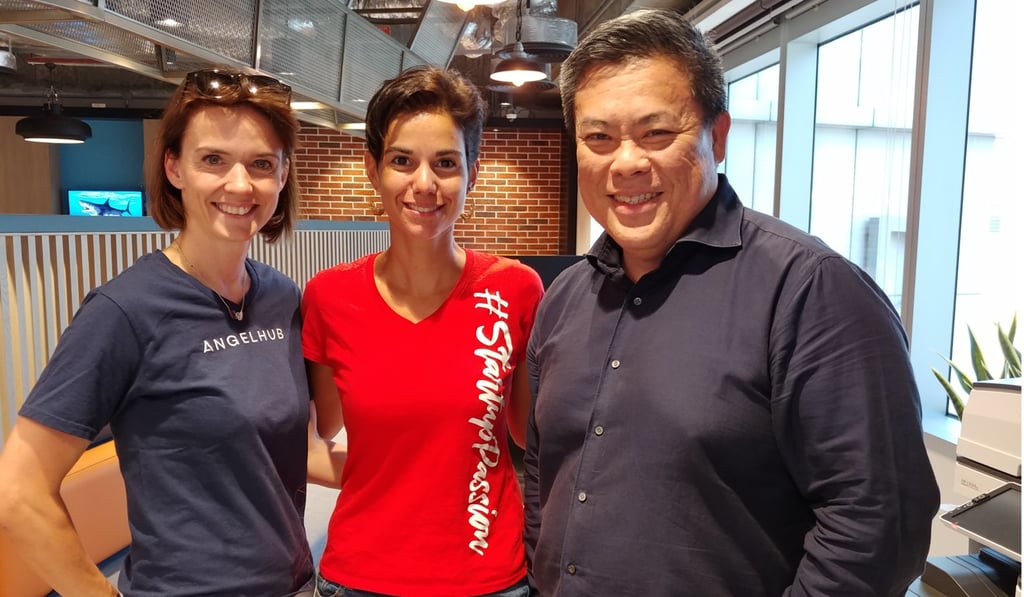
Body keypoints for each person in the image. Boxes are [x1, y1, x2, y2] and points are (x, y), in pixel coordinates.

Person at [524, 9, 940, 597]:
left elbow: (876, 527)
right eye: (598, 137)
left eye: (656, 132)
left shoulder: (811, 290)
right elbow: (545, 474)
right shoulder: (565, 297)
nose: (626, 163)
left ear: (715, 135)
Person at [0, 68, 314, 596]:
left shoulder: (282, 298)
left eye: (262, 164)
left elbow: (277, 451)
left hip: (295, 584)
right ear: (174, 167)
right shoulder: (125, 310)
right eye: (213, 159)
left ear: (282, 177)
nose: (240, 184)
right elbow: (18, 490)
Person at [302, 65, 543, 597]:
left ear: (472, 173)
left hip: (488, 578)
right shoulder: (329, 297)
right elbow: (319, 432)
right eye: (402, 161)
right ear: (373, 168)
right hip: (359, 577)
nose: (424, 185)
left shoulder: (516, 289)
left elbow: (531, 434)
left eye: (446, 163)